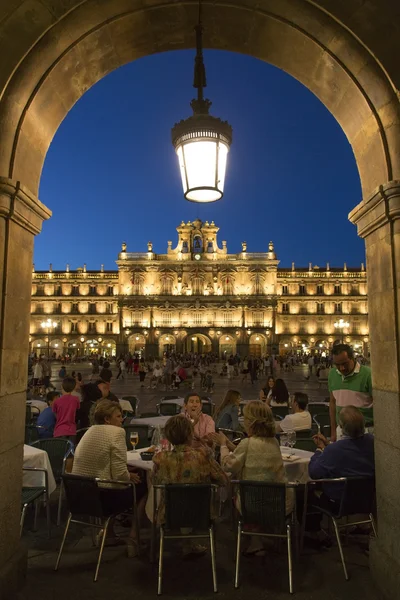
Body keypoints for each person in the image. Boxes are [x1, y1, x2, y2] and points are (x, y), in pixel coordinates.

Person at [217, 401, 293, 555]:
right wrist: (233, 447)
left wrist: (223, 446)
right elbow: (249, 453)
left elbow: (227, 465)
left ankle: (255, 540)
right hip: (279, 503)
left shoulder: (247, 444)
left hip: (251, 504)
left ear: (251, 423)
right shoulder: (274, 442)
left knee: (238, 491)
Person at [72, 400, 145, 557]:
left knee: (122, 483)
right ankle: (133, 538)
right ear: (107, 419)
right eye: (118, 416)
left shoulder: (89, 431)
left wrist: (126, 471)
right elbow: (119, 475)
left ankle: (108, 534)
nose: (122, 420)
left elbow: (102, 462)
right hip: (102, 498)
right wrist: (129, 475)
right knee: (143, 487)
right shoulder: (116, 432)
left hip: (79, 495)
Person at [152, 415, 228, 556]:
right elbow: (223, 479)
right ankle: (189, 544)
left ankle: (185, 544)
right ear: (190, 434)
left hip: (169, 514)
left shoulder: (161, 459)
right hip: (201, 512)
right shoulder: (203, 456)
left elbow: (154, 482)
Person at [328, 344, 373, 441]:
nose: (342, 368)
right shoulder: (332, 374)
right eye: (337, 365)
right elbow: (332, 403)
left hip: (365, 431)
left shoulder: (368, 374)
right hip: (341, 430)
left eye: (345, 364)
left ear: (353, 358)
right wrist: (333, 432)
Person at [52, 376, 80, 442]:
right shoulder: (76, 399)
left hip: (59, 430)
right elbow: (77, 410)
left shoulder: (56, 401)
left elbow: (55, 414)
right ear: (73, 388)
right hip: (72, 430)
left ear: (62, 386)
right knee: (70, 450)